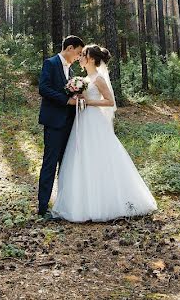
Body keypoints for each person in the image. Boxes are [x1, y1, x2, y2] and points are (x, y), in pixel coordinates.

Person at [51, 44, 157, 222]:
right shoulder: (85, 78)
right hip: (83, 121)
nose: (80, 58)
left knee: (100, 157)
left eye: (83, 55)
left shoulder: (98, 79)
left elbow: (110, 102)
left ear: (91, 59)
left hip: (94, 121)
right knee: (82, 158)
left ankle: (108, 202)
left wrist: (88, 102)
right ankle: (81, 201)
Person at [36, 35, 85, 217]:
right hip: (54, 122)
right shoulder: (50, 63)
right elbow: (44, 88)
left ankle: (62, 205)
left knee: (65, 165)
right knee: (50, 164)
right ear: (69, 48)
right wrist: (66, 101)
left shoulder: (71, 71)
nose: (79, 57)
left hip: (69, 124)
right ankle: (43, 208)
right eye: (78, 53)